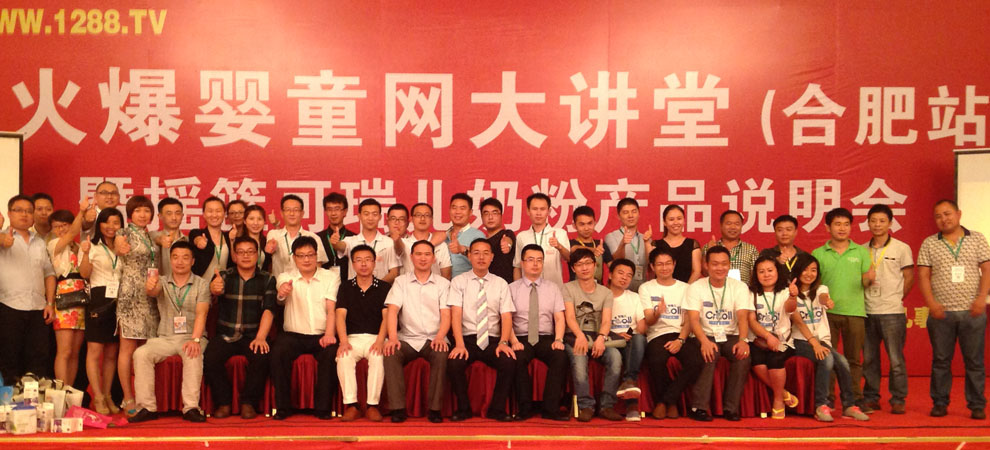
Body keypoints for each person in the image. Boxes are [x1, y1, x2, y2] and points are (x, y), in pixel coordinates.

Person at [917, 199, 990, 420]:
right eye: (938, 216)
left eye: (947, 214)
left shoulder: (977, 238)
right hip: (942, 313)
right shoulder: (930, 243)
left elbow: (987, 269)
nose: (943, 219)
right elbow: (923, 275)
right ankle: (940, 403)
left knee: (974, 362)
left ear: (958, 214)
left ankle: (977, 405)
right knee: (941, 361)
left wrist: (982, 298)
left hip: (972, 311)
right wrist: (931, 303)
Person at [129, 241, 210, 423]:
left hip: (191, 336)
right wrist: (150, 285)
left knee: (192, 353)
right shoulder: (162, 281)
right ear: (170, 260)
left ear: (193, 261)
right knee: (141, 354)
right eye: (175, 257)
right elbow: (152, 291)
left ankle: (191, 408)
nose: (180, 262)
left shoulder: (202, 284)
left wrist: (196, 340)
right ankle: (147, 407)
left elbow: (202, 313)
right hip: (165, 338)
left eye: (185, 257)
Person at [789, 254, 870, 422]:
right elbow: (799, 323)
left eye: (813, 270)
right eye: (805, 269)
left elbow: (823, 297)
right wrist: (815, 344)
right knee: (826, 359)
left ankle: (849, 405)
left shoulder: (821, 289)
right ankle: (821, 405)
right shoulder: (790, 293)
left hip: (821, 341)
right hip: (799, 341)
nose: (809, 274)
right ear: (798, 270)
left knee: (843, 361)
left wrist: (827, 301)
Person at [204, 236, 277, 420]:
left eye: (250, 252)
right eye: (241, 252)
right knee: (210, 357)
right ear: (234, 256)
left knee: (262, 356)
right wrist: (213, 290)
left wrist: (261, 337)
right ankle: (224, 402)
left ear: (257, 255)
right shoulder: (223, 276)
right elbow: (212, 296)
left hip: (253, 335)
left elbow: (269, 309)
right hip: (226, 335)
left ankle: (248, 403)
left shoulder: (267, 279)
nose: (246, 256)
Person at [270, 236, 341, 420]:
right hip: (293, 335)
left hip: (321, 334)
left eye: (310, 255)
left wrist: (329, 334)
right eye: (301, 256)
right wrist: (282, 292)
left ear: (317, 256)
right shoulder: (286, 277)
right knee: (278, 352)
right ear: (294, 258)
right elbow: (280, 294)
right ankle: (283, 407)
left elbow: (331, 309)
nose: (306, 259)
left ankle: (323, 408)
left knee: (331, 354)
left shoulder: (330, 277)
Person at [447, 238, 516, 422]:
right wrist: (459, 344)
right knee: (454, 363)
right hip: (467, 338)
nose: (481, 257)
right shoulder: (459, 282)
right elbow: (455, 314)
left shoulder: (501, 283)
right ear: (469, 256)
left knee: (508, 361)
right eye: (476, 253)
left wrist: (503, 342)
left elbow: (506, 316)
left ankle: (497, 409)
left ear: (492, 257)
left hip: (492, 339)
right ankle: (464, 409)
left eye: (486, 253)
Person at [382, 240, 451, 423]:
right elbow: (392, 311)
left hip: (433, 338)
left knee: (441, 353)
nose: (423, 258)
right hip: (407, 338)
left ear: (434, 258)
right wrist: (392, 338)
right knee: (391, 352)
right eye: (418, 254)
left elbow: (446, 314)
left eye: (427, 254)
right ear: (411, 257)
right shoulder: (401, 282)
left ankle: (435, 409)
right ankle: (397, 408)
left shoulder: (443, 284)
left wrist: (440, 337)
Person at [811, 207, 871, 411]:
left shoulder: (861, 252)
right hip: (825, 315)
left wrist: (870, 279)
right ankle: (827, 399)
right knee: (827, 359)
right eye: (837, 224)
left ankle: (854, 399)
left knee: (854, 360)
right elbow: (814, 283)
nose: (842, 228)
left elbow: (867, 280)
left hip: (855, 312)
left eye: (846, 224)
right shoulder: (818, 253)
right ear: (827, 227)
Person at [683, 246, 752, 422]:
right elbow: (693, 320)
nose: (719, 268)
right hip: (704, 334)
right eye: (714, 264)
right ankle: (698, 407)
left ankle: (731, 408)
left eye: (723, 264)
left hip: (731, 335)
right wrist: (704, 341)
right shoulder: (696, 287)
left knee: (743, 356)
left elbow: (743, 317)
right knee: (709, 354)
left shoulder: (739, 287)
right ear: (706, 265)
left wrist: (743, 340)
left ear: (729, 265)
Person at [861, 204, 914, 415]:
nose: (877, 225)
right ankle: (871, 397)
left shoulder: (901, 248)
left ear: (890, 223)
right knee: (869, 359)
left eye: (882, 221)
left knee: (896, 359)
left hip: (892, 311)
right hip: (867, 310)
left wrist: (897, 298)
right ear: (868, 223)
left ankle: (898, 398)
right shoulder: (861, 249)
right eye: (873, 221)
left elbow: (909, 277)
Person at [639, 247, 703, 420]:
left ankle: (665, 400)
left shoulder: (686, 288)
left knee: (696, 360)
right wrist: (657, 313)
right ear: (652, 267)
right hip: (657, 334)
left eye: (668, 263)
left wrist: (680, 340)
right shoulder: (646, 288)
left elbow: (690, 320)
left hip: (681, 334)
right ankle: (671, 403)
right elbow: (648, 320)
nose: (664, 267)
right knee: (656, 359)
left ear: (674, 265)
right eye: (659, 264)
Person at [507, 244, 569, 421]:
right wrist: (513, 341)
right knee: (517, 357)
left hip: (545, 338)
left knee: (560, 356)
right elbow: (506, 319)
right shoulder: (511, 288)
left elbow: (559, 318)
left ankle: (551, 408)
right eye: (530, 260)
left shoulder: (553, 288)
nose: (535, 264)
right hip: (520, 337)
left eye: (539, 260)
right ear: (522, 263)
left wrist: (558, 339)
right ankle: (525, 408)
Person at [0, 195, 56, 382]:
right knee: (9, 359)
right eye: (19, 210)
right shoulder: (3, 238)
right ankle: (8, 397)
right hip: (8, 306)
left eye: (28, 211)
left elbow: (49, 273)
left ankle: (34, 398)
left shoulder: (39, 242)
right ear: (9, 213)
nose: (24, 214)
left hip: (38, 308)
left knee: (38, 359)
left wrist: (50, 303)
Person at [113, 195, 160, 417]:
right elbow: (118, 246)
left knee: (146, 349)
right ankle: (128, 397)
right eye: (138, 210)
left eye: (146, 210)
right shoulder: (124, 232)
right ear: (130, 214)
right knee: (127, 347)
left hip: (150, 295)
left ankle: (145, 397)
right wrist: (119, 246)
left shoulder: (150, 235)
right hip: (130, 294)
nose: (142, 214)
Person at [562, 247, 620, 421]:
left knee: (615, 357)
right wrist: (579, 335)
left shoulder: (606, 292)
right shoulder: (567, 288)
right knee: (579, 361)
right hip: (574, 336)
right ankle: (586, 405)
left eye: (588, 263)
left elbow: (606, 321)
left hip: (598, 336)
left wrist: (601, 338)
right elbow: (569, 317)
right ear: (573, 268)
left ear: (595, 265)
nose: (584, 267)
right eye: (579, 264)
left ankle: (607, 406)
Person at [335, 244, 390, 422]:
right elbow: (340, 315)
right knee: (343, 357)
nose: (363, 264)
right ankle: (352, 405)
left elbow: (387, 317)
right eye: (359, 260)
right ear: (353, 264)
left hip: (376, 337)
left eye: (368, 260)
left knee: (378, 357)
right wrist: (343, 341)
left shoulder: (384, 287)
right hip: (352, 338)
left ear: (374, 263)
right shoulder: (345, 287)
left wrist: (380, 341)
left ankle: (372, 405)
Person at [77, 208, 124, 415]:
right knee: (95, 351)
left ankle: (107, 395)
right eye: (107, 222)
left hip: (119, 300)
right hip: (98, 298)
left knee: (112, 353)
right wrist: (86, 253)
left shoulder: (123, 247)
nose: (111, 227)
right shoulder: (91, 245)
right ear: (99, 224)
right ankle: (97, 396)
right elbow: (84, 273)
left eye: (116, 222)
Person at [746, 256, 798, 419]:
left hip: (783, 340)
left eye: (770, 270)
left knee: (775, 360)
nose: (766, 275)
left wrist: (793, 297)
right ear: (756, 274)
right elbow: (751, 321)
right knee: (756, 361)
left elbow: (790, 309)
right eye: (761, 271)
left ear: (777, 272)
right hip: (759, 340)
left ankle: (778, 400)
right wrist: (768, 336)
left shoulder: (785, 291)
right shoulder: (751, 293)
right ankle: (783, 393)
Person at [47, 201, 91, 389]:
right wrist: (82, 211)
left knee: (74, 352)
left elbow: (85, 273)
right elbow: (72, 233)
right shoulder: (53, 244)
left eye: (64, 225)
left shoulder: (78, 246)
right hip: (63, 299)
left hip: (81, 299)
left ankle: (70, 390)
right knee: (64, 351)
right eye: (56, 226)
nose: (61, 229)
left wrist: (84, 252)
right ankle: (60, 391)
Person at [607, 258, 647, 421]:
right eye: (620, 273)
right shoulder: (601, 295)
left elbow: (642, 327)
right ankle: (631, 406)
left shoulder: (634, 297)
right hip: (609, 341)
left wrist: (631, 332)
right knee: (616, 354)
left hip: (630, 340)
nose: (624, 277)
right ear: (610, 275)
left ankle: (629, 382)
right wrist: (615, 335)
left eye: (629, 275)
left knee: (639, 339)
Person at [513, 193, 571, 287]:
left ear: (549, 211)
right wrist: (518, 289)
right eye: (535, 209)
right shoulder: (522, 236)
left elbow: (569, 258)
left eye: (542, 209)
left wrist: (559, 247)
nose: (538, 213)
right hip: (528, 289)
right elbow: (517, 266)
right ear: (528, 211)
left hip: (554, 288)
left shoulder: (560, 233)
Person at [336, 199, 400, 283]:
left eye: (374, 214)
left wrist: (376, 286)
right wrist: (335, 243)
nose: (370, 218)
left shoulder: (389, 242)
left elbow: (394, 272)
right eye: (366, 214)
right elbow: (341, 246)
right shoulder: (351, 241)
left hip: (381, 290)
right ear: (359, 216)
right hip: (354, 290)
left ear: (380, 217)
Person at [266, 194, 328, 278]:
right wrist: (270, 247)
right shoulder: (274, 234)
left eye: (296, 210)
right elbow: (269, 248)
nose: (292, 213)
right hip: (279, 284)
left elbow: (318, 268)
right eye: (288, 210)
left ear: (302, 213)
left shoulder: (313, 237)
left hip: (304, 284)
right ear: (282, 213)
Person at [604, 199, 654, 292]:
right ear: (618, 216)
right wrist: (622, 244)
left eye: (634, 211)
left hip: (642, 289)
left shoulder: (646, 238)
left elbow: (651, 264)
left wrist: (647, 242)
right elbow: (616, 260)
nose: (630, 215)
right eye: (625, 212)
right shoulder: (611, 236)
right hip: (619, 290)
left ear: (639, 214)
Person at [702, 210, 760, 285]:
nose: (733, 227)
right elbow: (705, 273)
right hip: (715, 290)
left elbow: (756, 276)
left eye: (737, 224)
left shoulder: (751, 249)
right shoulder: (710, 246)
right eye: (728, 223)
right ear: (721, 225)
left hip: (743, 291)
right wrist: (710, 252)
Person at [397, 203, 453, 279]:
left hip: (435, 285)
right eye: (418, 215)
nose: (422, 218)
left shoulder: (441, 245)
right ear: (411, 219)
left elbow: (446, 275)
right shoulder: (403, 244)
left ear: (432, 219)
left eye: (427, 215)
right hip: (408, 286)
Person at [656, 205, 701, 284]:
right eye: (671, 219)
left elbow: (696, 271)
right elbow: (652, 269)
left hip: (686, 289)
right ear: (664, 222)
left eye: (679, 219)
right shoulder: (656, 245)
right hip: (660, 289)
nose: (676, 222)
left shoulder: (692, 244)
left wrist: (685, 289)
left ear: (684, 221)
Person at [446, 193, 488, 279]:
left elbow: (483, 258)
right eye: (454, 208)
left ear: (470, 212)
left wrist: (462, 249)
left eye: (462, 208)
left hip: (468, 284)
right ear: (449, 210)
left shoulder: (478, 235)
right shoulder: (444, 236)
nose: (457, 212)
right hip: (443, 284)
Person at [190, 196, 231, 278]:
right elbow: (196, 238)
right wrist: (199, 241)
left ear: (224, 214)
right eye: (210, 211)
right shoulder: (197, 233)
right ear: (204, 214)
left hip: (223, 284)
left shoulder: (229, 237)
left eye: (218, 211)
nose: (214, 215)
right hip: (200, 285)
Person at [570, 205, 612, 285]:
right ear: (574, 226)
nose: (586, 228)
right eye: (582, 224)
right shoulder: (570, 243)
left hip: (598, 288)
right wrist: (593, 250)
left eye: (590, 223)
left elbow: (612, 266)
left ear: (595, 223)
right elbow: (573, 249)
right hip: (575, 289)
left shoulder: (600, 244)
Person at [317, 192, 356, 278]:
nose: (333, 213)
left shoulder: (354, 238)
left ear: (345, 211)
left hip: (347, 283)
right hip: (324, 282)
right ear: (325, 211)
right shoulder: (318, 238)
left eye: (337, 209)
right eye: (329, 209)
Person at [759, 215, 808, 282]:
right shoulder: (766, 254)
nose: (784, 233)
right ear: (775, 232)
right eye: (780, 230)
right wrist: (776, 262)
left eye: (788, 229)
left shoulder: (804, 256)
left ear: (795, 232)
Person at [480, 197, 516, 284]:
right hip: (486, 287)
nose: (490, 217)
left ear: (501, 215)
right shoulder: (482, 242)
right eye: (486, 213)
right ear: (481, 217)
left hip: (506, 287)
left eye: (495, 213)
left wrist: (508, 245)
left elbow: (508, 240)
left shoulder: (506, 234)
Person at [151, 198, 188, 279]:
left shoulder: (188, 241)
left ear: (182, 216)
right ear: (160, 216)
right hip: (159, 285)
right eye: (169, 213)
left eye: (177, 213)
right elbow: (155, 238)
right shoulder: (151, 236)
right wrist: (160, 240)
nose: (174, 217)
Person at [242, 205, 270, 271]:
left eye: (259, 219)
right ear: (244, 221)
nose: (256, 223)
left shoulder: (266, 242)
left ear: (264, 221)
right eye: (251, 219)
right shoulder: (240, 242)